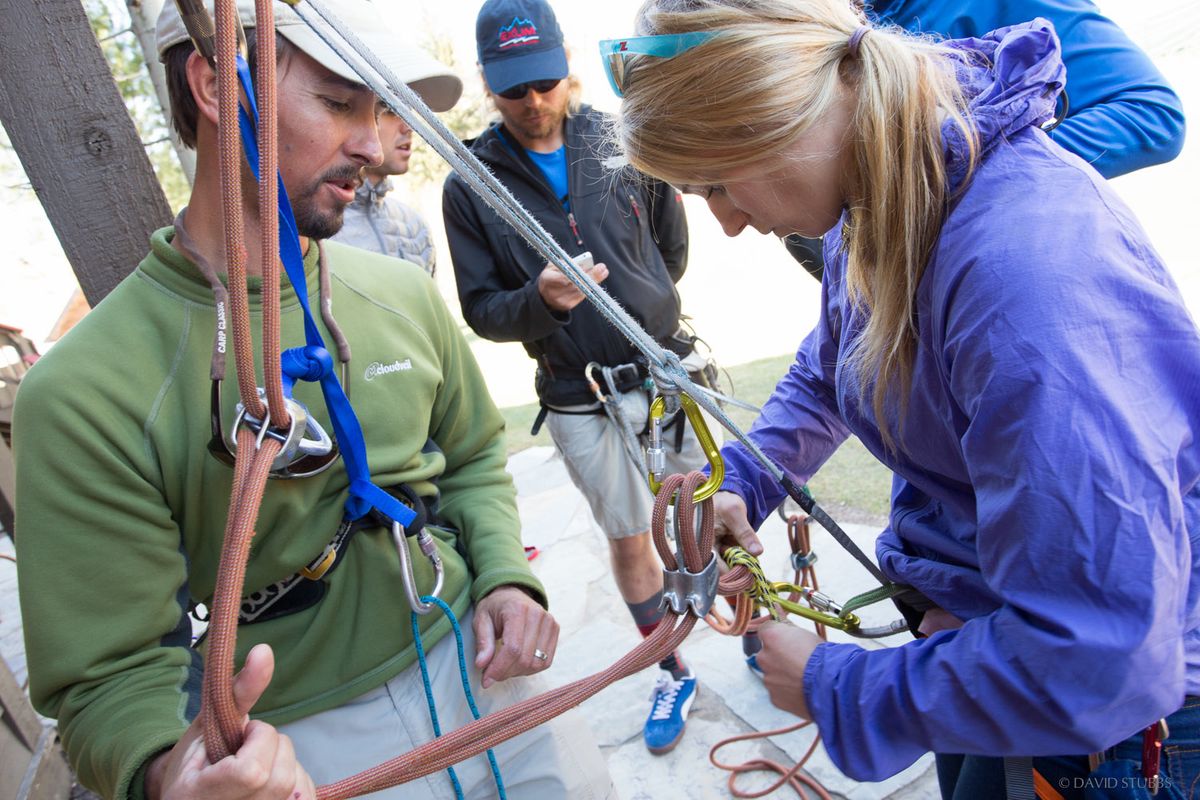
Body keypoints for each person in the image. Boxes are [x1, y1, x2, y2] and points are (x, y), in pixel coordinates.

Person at [12, 1, 615, 798]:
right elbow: (106, 675)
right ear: (214, 83)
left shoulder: (403, 296)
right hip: (296, 743)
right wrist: (170, 772)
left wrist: (505, 577)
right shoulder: (87, 392)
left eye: (377, 109)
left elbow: (469, 457)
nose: (372, 144)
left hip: (489, 671)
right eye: (337, 103)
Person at [607, 0, 1200, 796]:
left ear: (785, 116)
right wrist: (746, 476)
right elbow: (831, 367)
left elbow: (1100, 657)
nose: (728, 225)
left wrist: (833, 685)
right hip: (980, 652)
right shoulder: (886, 197)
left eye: (717, 183)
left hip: (1104, 731)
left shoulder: (1026, 280)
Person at [443, 0, 709, 756]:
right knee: (631, 541)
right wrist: (541, 302)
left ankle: (755, 631)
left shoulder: (619, 137)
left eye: (546, 82)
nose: (533, 102)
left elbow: (668, 248)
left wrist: (641, 304)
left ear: (568, 71)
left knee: (711, 515)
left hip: (666, 372)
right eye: (513, 90)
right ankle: (672, 668)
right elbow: (483, 310)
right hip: (577, 394)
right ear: (489, 87)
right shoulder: (470, 181)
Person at [784, 0, 1188, 280]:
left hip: (1034, 275)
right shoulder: (821, 24)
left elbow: (1149, 113)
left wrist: (965, 175)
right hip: (922, 316)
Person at [332, 110, 439, 276]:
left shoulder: (415, 226)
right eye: (391, 110)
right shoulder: (316, 227)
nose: (409, 127)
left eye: (409, 110)